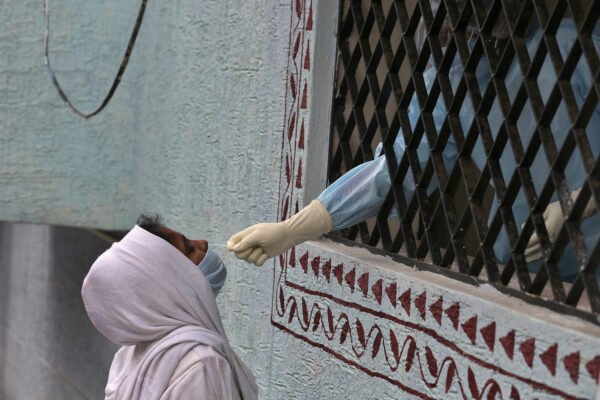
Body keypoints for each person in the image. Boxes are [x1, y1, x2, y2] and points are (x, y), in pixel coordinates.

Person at [228, 7, 600, 285]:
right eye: (443, 37)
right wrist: (294, 230)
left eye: (457, 30)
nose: (453, 45)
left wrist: (582, 201)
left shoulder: (574, 49)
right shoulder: (452, 85)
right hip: (532, 271)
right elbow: (393, 173)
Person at [81, 214, 258, 400]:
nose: (203, 244)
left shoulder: (126, 360)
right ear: (165, 286)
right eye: (189, 249)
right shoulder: (200, 363)